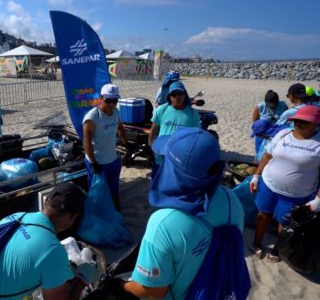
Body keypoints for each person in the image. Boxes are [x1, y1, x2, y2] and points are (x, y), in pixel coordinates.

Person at [108, 128, 245, 299]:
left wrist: (121, 285)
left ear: (173, 170)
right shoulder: (231, 198)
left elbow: (154, 291)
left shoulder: (163, 224)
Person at [250, 105, 320, 262]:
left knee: (285, 224)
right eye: (296, 120)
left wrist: (318, 199)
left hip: (296, 194)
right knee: (263, 214)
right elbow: (267, 157)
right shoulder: (283, 134)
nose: (298, 124)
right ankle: (257, 243)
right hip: (269, 185)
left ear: (316, 124)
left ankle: (276, 250)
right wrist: (256, 176)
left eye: (304, 122)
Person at [83, 83, 127, 210]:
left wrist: (124, 140)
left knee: (114, 191)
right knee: (97, 195)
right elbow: (86, 142)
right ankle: (97, 218)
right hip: (97, 162)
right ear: (101, 98)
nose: (112, 104)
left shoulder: (115, 112)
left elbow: (120, 126)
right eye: (109, 101)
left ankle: (117, 215)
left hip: (112, 160)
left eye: (115, 100)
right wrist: (93, 163)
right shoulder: (92, 117)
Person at [148, 81, 200, 177]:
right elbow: (153, 130)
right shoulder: (161, 110)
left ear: (185, 95)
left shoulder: (193, 114)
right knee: (156, 186)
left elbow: (196, 138)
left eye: (180, 93)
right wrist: (152, 147)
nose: (177, 96)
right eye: (174, 94)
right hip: (161, 158)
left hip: (180, 160)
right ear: (169, 96)